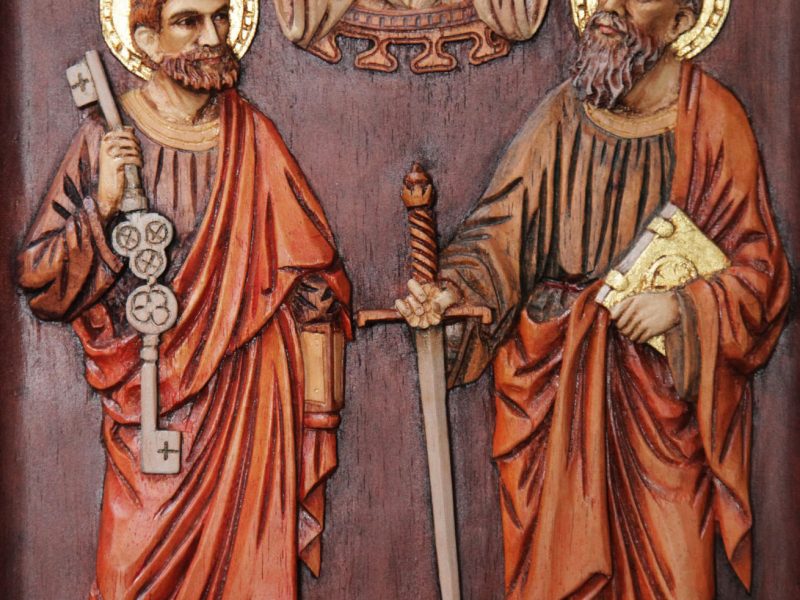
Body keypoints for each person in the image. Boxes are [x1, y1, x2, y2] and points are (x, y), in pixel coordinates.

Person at [395, 0, 790, 597]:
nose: (609, 7)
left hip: (660, 414)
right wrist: (453, 293)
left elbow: (761, 276)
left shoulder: (713, 119)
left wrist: (681, 309)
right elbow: (498, 239)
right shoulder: (562, 115)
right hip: (558, 399)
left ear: (682, 22)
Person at [17, 0, 350, 597]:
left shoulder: (254, 136)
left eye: (220, 18)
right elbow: (40, 282)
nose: (213, 35)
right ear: (147, 41)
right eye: (189, 21)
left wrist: (313, 297)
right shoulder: (107, 139)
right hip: (148, 402)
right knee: (128, 574)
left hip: (246, 400)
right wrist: (103, 207)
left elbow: (312, 265)